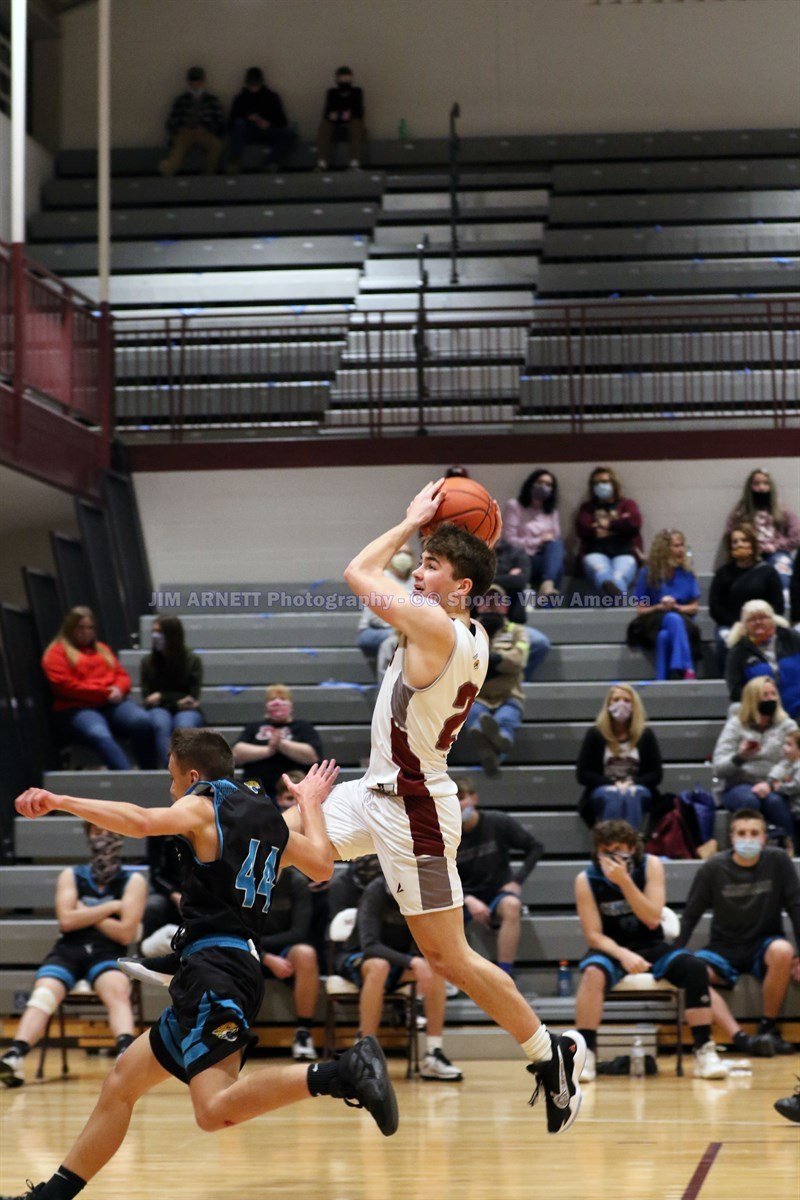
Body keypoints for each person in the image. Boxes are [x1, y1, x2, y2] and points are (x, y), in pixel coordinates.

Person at [282, 481, 586, 1136]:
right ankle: (204, 933)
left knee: (449, 960)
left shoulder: (437, 624)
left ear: (461, 586)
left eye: (431, 565)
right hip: (376, 789)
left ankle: (549, 1051)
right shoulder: (459, 625)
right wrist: (443, 537)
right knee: (269, 833)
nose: (417, 571)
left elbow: (357, 573)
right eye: (419, 562)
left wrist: (409, 518)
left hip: (414, 808)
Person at [4, 735, 398, 1199]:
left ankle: (343, 1071)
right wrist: (309, 801)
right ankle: (50, 1197)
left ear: (193, 777)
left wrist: (62, 800)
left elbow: (140, 821)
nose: (172, 792)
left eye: (172, 780)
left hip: (216, 969)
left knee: (213, 1111)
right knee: (122, 1082)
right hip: (224, 966)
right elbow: (321, 866)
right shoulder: (268, 820)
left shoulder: (202, 805)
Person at [574, 819, 726, 1082]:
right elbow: (594, 935)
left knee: (694, 967)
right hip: (612, 948)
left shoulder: (651, 865)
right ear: (597, 851)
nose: (612, 856)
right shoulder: (585, 879)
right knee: (591, 975)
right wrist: (624, 955)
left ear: (632, 848)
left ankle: (704, 1050)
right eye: (606, 850)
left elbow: (653, 918)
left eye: (619, 848)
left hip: (651, 943)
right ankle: (586, 1054)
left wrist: (625, 883)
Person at [0, 824, 146, 1089]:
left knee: (117, 989)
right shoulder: (71, 875)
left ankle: (126, 1055)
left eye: (109, 831)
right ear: (88, 836)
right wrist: (111, 907)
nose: (103, 837)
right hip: (69, 950)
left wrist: (85, 912)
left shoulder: (133, 881)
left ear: (120, 838)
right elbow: (66, 922)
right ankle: (14, 1057)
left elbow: (125, 934)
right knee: (44, 992)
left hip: (107, 952)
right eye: (97, 832)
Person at [678, 808, 800, 1057]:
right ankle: (741, 1038)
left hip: (763, 945)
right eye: (742, 833)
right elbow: (691, 915)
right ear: (731, 838)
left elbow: (797, 907)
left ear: (765, 838)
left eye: (754, 833)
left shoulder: (778, 861)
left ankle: (767, 1029)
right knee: (694, 972)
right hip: (723, 948)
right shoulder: (713, 868)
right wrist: (673, 954)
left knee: (783, 950)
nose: (748, 838)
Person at [337, 873, 464, 1081]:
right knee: (379, 966)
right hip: (360, 958)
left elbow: (424, 941)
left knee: (435, 969)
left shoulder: (422, 894)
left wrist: (419, 960)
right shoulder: (375, 890)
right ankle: (363, 1053)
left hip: (398, 963)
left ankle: (433, 1054)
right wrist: (412, 962)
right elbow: (370, 946)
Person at [42, 607, 157, 770]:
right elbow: (66, 686)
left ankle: (150, 774)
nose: (85, 632)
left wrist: (118, 688)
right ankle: (129, 779)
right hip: (77, 707)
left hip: (112, 704)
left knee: (142, 722)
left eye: (89, 628)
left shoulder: (102, 649)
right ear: (70, 628)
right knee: (99, 733)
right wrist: (104, 692)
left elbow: (122, 675)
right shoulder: (56, 653)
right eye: (80, 627)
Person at [455, 775, 544, 978]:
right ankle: (455, 976)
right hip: (463, 897)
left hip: (497, 895)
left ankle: (505, 973)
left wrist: (517, 881)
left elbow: (535, 847)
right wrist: (468, 900)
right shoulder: (446, 833)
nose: (458, 805)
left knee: (512, 905)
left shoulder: (497, 821)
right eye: (452, 799)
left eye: (461, 797)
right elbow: (440, 876)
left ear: (474, 798)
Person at [711, 675, 798, 850]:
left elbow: (790, 761)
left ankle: (790, 851)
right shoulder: (736, 725)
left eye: (773, 694)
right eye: (765, 695)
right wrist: (741, 756)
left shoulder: (787, 725)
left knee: (776, 804)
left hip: (772, 784)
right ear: (753, 699)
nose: (771, 699)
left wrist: (769, 782)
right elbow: (718, 768)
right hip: (738, 784)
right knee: (749, 800)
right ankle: (747, 849)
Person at [463, 586, 529, 777]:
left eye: (497, 601)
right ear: (478, 606)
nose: (491, 605)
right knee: (475, 717)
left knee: (505, 719)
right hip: (477, 696)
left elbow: (519, 660)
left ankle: (495, 744)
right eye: (486, 601)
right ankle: (498, 745)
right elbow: (460, 662)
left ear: (506, 607)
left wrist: (491, 660)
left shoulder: (518, 631)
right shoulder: (466, 630)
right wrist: (499, 662)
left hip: (509, 695)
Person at [576, 685, 663, 829]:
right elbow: (583, 774)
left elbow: (656, 775)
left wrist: (633, 782)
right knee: (613, 795)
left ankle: (631, 845)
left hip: (636, 788)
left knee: (633, 794)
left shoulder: (645, 735)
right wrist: (612, 783)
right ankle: (613, 845)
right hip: (604, 788)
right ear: (608, 704)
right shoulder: (595, 734)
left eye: (627, 700)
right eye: (616, 699)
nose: (621, 704)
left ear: (634, 706)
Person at [259, 866, 321, 1062]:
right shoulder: (246, 877)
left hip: (283, 948)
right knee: (229, 950)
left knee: (306, 954)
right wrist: (265, 957)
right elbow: (236, 929)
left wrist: (270, 954)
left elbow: (299, 932)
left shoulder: (296, 882)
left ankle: (303, 1033)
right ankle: (232, 1032)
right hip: (248, 947)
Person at [627, 529, 701, 681]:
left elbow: (694, 607)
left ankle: (662, 679)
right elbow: (640, 610)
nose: (681, 550)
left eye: (682, 545)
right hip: (654, 621)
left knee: (666, 633)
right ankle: (687, 668)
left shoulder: (687, 573)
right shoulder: (648, 573)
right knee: (667, 626)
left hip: (684, 622)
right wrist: (659, 607)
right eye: (676, 546)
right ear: (664, 549)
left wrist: (677, 607)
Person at [709, 523, 784, 668]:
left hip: (762, 624)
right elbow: (715, 607)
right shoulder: (723, 573)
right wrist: (740, 624)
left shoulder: (768, 572)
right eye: (735, 542)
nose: (739, 545)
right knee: (724, 641)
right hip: (732, 624)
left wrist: (759, 623)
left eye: (744, 540)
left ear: (753, 544)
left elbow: (778, 606)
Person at [232, 684, 322, 801]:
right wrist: (268, 750)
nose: (277, 703)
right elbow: (236, 753)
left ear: (291, 704)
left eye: (283, 699)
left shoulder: (303, 727)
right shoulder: (254, 727)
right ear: (266, 705)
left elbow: (312, 756)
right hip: (257, 791)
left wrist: (282, 744)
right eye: (272, 699)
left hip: (293, 791)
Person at [141, 616, 205, 766]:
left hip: (185, 709)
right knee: (160, 723)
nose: (155, 636)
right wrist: (176, 702)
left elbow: (191, 697)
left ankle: (183, 771)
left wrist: (162, 697)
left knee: (184, 725)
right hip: (159, 710)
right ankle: (169, 771)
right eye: (153, 632)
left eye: (159, 632)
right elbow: (148, 698)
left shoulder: (192, 660)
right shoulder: (147, 662)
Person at [726, 468, 800, 592]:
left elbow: (797, 536)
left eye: (765, 483)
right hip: (748, 554)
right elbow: (728, 535)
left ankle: (783, 603)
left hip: (777, 553)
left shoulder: (782, 509)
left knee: (783, 570)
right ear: (750, 487)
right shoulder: (740, 511)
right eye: (756, 484)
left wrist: (776, 546)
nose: (761, 487)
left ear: (771, 486)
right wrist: (746, 546)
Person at [725, 599, 800, 720]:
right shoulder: (738, 651)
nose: (758, 622)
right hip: (762, 715)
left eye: (763, 617)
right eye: (751, 619)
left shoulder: (791, 638)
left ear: (773, 620)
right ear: (744, 625)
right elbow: (735, 691)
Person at [575, 466, 643, 598]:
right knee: (601, 571)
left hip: (624, 552)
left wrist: (607, 524)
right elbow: (582, 529)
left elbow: (633, 524)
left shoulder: (627, 504)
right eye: (596, 483)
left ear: (614, 484)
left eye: (605, 482)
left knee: (618, 576)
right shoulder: (588, 507)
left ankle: (613, 592)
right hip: (595, 552)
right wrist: (618, 527)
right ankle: (615, 598)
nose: (601, 486)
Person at [502, 469, 564, 598]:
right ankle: (548, 587)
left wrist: (547, 541)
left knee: (557, 547)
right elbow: (509, 540)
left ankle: (547, 587)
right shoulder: (515, 506)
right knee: (556, 569)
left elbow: (555, 537)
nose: (543, 487)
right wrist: (539, 541)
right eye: (540, 482)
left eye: (548, 484)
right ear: (530, 484)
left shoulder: (551, 511)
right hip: (522, 558)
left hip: (543, 558)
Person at [356, 542, 414, 676]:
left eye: (407, 553)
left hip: (405, 629)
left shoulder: (415, 581)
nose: (403, 557)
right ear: (391, 557)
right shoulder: (381, 579)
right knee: (394, 641)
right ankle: (387, 688)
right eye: (399, 553)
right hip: (373, 631)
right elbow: (375, 618)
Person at [159, 66, 225, 177]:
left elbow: (220, 123)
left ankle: (207, 176)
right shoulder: (181, 101)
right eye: (193, 81)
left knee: (216, 145)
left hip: (204, 135)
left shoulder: (212, 100)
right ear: (189, 82)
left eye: (198, 81)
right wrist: (181, 129)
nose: (195, 84)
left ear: (203, 81)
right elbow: (171, 122)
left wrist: (205, 129)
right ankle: (168, 169)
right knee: (180, 144)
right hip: (185, 134)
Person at [227, 66, 294, 172]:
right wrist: (247, 118)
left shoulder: (272, 97)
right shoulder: (240, 98)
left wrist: (269, 124)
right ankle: (235, 161)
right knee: (238, 124)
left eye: (255, 84)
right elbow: (231, 121)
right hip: (248, 131)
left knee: (290, 132)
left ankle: (270, 163)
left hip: (267, 131)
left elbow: (282, 121)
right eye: (251, 84)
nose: (253, 87)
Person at [316, 66, 365, 170]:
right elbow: (327, 113)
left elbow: (358, 112)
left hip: (352, 122)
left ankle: (354, 162)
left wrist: (340, 114)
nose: (344, 80)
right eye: (342, 78)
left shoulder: (357, 92)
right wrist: (343, 114)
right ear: (337, 79)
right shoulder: (332, 93)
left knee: (356, 123)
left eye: (346, 78)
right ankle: (322, 162)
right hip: (335, 124)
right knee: (325, 125)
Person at [768, 728, 800, 845]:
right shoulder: (789, 764)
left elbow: (797, 785)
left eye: (789, 744)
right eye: (784, 744)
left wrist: (780, 787)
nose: (784, 748)